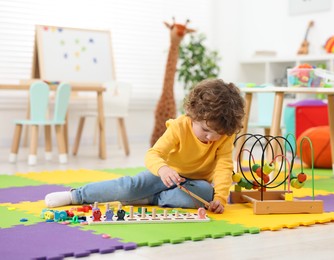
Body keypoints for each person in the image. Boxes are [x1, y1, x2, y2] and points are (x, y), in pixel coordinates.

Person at [45, 79, 245, 214]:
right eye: (205, 130)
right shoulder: (179, 127)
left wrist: (220, 197)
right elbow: (153, 154)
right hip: (164, 176)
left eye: (217, 134)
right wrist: (164, 169)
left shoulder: (223, 135)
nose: (211, 138)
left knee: (205, 193)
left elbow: (223, 166)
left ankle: (149, 199)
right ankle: (76, 195)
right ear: (194, 115)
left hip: (192, 184)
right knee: (129, 186)